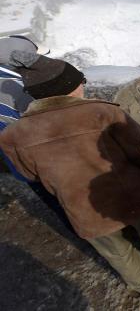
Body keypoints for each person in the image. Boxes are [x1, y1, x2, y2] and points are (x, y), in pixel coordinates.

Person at [0, 51, 140, 295]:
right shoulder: (103, 113)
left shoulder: (12, 136)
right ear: (69, 87)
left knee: (117, 252)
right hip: (136, 196)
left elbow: (29, 175)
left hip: (83, 210)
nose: (84, 84)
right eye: (80, 80)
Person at [0, 35, 74, 233]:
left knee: (54, 201)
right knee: (71, 199)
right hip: (46, 157)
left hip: (19, 162)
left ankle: (79, 231)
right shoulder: (17, 86)